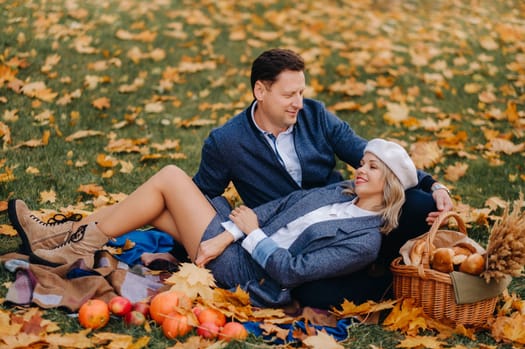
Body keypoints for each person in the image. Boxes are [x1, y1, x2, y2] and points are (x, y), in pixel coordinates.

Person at [9, 139, 417, 307]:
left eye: (373, 169)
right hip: (236, 241)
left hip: (247, 273)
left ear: (392, 187)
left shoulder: (364, 242)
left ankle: (66, 242)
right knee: (153, 206)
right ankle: (57, 239)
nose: (361, 170)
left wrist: (249, 235)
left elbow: (293, 271)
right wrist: (233, 231)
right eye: (363, 162)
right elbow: (280, 206)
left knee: (169, 177)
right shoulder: (340, 190)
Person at [193, 48, 454, 307]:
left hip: (342, 214)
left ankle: (385, 271)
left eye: (301, 93)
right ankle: (351, 281)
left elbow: (374, 156)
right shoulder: (228, 140)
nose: (299, 103)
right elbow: (204, 191)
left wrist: (432, 184)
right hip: (279, 226)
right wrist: (228, 233)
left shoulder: (314, 116)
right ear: (260, 91)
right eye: (289, 94)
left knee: (422, 203)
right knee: (312, 293)